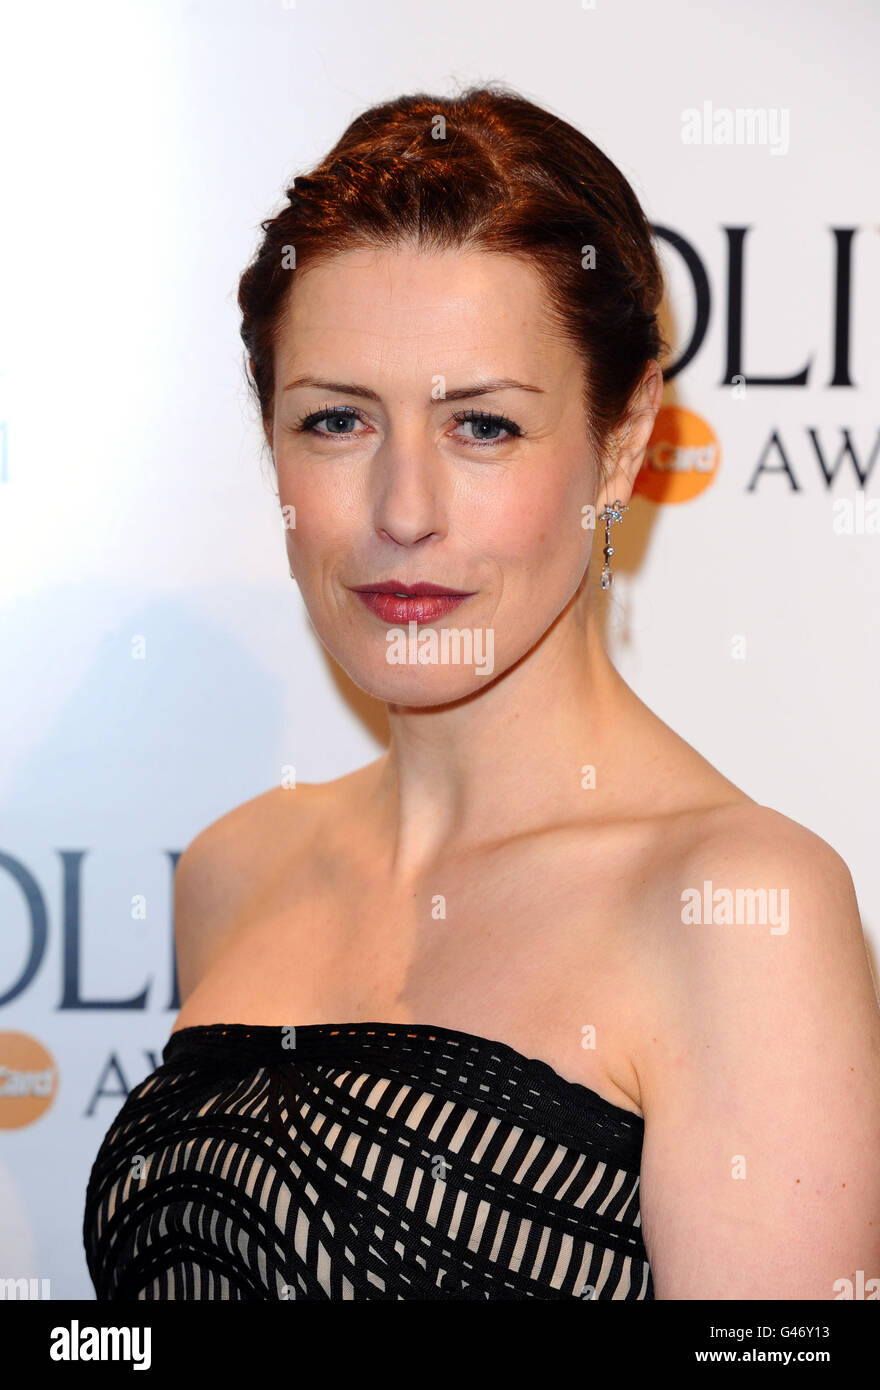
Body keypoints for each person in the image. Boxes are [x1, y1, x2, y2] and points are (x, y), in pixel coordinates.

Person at [83, 83, 880, 1301]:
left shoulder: (737, 909)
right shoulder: (235, 869)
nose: (404, 511)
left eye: (485, 428)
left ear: (621, 445)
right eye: (338, 419)